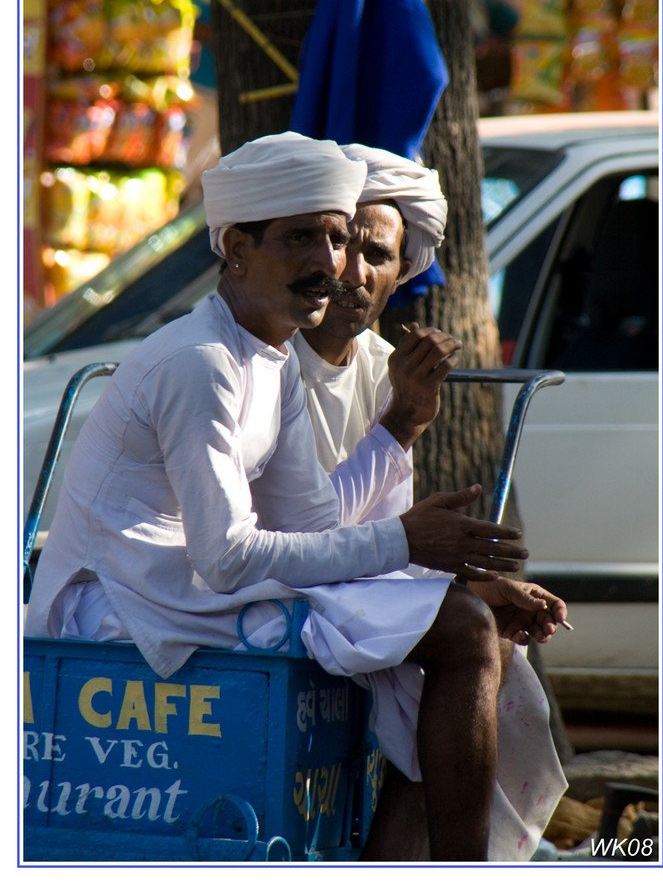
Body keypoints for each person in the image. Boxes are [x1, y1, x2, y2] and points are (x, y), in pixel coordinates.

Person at [25, 132, 567, 863]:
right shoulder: (202, 363)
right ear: (237, 251)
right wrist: (409, 548)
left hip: (198, 586)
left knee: (470, 623)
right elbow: (225, 558)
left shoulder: (270, 354)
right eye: (301, 239)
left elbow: (314, 524)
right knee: (461, 632)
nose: (329, 265)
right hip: (129, 601)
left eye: (339, 240)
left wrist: (445, 569)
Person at [293, 143, 568, 861]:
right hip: (256, 577)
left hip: (333, 579)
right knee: (466, 636)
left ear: (398, 279)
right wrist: (404, 424)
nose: (354, 273)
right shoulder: (267, 355)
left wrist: (470, 581)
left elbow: (381, 532)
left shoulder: (387, 365)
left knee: (480, 638)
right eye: (341, 244)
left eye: (378, 257)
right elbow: (303, 534)